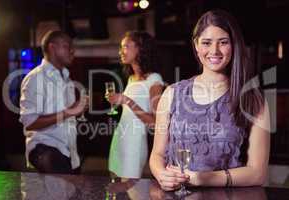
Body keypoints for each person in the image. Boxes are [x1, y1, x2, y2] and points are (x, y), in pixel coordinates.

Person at [149, 9, 270, 190]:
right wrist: (161, 174)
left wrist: (205, 179)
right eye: (206, 42)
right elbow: (157, 155)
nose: (214, 51)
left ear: (234, 45)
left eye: (223, 42)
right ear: (196, 45)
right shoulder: (172, 93)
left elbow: (257, 173)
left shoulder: (252, 99)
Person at [19, 30, 89, 174]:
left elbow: (67, 115)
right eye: (67, 46)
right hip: (45, 148)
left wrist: (77, 110)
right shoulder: (36, 78)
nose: (72, 51)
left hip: (68, 152)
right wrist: (69, 111)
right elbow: (30, 122)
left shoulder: (67, 79)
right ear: (52, 48)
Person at [108, 31, 165, 179]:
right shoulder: (131, 78)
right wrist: (118, 102)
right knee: (115, 186)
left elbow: (155, 122)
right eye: (121, 47)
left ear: (140, 49)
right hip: (119, 137)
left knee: (133, 192)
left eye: (126, 46)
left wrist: (127, 101)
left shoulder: (154, 79)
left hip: (134, 144)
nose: (121, 51)